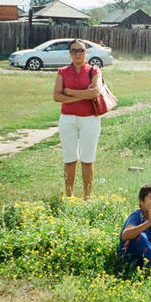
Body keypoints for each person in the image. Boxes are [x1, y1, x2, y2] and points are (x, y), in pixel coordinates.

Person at [53, 38, 103, 199]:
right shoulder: (62, 72)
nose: (77, 53)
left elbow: (95, 92)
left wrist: (69, 92)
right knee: (69, 159)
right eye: (74, 50)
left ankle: (87, 197)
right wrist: (83, 95)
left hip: (90, 119)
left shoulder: (94, 71)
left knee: (87, 159)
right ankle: (69, 196)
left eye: (81, 50)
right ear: (69, 53)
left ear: (86, 52)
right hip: (67, 119)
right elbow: (56, 96)